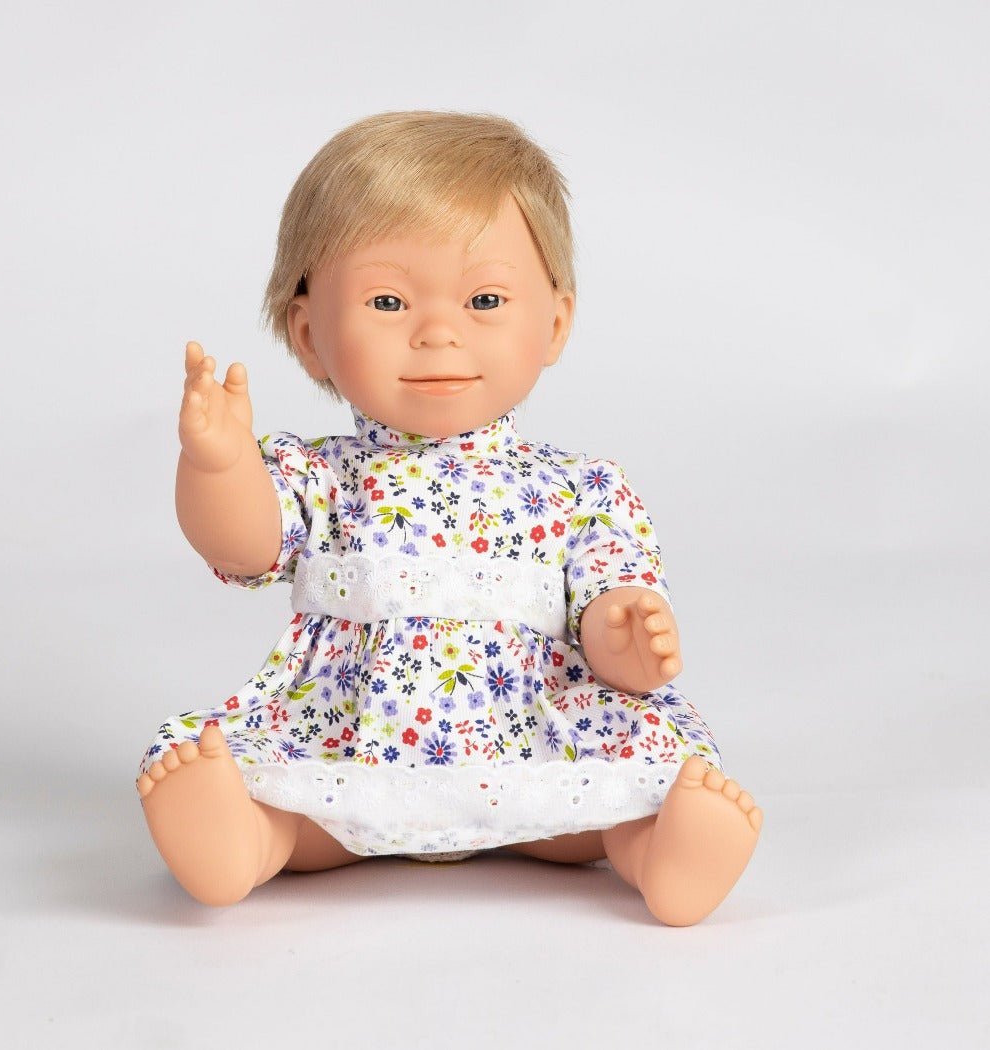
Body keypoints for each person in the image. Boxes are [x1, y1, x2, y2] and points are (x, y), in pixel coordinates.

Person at [137, 111, 763, 925]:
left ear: (555, 324)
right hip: (347, 733)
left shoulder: (579, 488)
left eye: (485, 299)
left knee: (620, 795)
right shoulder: (318, 473)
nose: (437, 333)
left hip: (533, 738)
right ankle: (247, 841)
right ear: (309, 335)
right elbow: (247, 546)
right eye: (388, 301)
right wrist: (219, 465)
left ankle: (656, 852)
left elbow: (610, 593)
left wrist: (627, 640)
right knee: (281, 797)